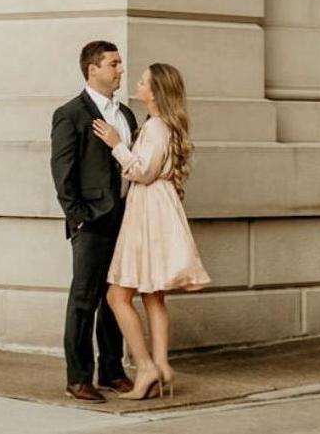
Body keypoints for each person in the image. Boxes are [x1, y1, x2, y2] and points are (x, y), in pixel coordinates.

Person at [92, 63, 210, 401]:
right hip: (158, 207)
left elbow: (143, 172)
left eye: (143, 82)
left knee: (117, 296)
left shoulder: (156, 127)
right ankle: (162, 366)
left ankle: (146, 367)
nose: (137, 84)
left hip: (148, 209)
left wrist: (116, 144)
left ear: (156, 92)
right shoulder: (161, 125)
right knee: (154, 294)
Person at [50, 41, 139, 403]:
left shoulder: (126, 115)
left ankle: (112, 371)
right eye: (113, 64)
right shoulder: (70, 114)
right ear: (93, 69)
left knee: (115, 298)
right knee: (83, 301)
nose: (120, 70)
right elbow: (62, 174)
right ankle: (78, 378)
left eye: (120, 63)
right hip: (92, 222)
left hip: (125, 220)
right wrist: (80, 219)